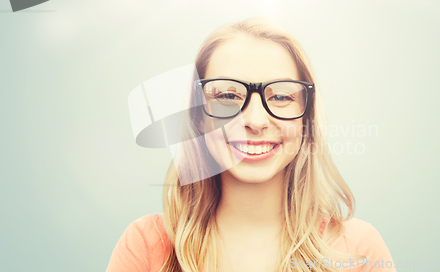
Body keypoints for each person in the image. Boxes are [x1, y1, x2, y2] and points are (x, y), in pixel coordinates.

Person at [107, 17, 396, 272]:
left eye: (281, 97)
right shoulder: (145, 246)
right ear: (198, 117)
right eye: (228, 96)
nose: (256, 121)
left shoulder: (359, 251)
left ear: (305, 119)